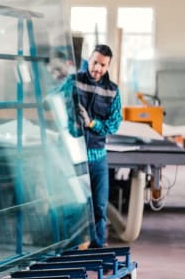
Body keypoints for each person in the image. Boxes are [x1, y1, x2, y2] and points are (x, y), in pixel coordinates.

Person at [52, 44, 122, 249]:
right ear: (88, 60)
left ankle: (97, 249)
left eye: (102, 65)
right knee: (73, 206)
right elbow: (53, 98)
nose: (97, 68)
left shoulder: (112, 91)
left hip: (98, 159)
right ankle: (70, 251)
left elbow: (114, 124)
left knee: (99, 208)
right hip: (74, 155)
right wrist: (68, 114)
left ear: (107, 66)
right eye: (94, 62)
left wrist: (92, 123)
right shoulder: (74, 82)